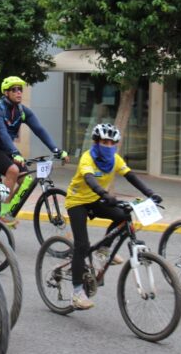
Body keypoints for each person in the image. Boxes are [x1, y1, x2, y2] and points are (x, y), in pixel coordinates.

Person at [66, 124, 161, 310]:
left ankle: (103, 249)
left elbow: (131, 176)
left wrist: (151, 193)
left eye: (112, 143)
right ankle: (77, 293)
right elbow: (89, 179)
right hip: (77, 201)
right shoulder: (87, 158)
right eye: (104, 142)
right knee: (82, 245)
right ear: (96, 142)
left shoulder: (115, 159)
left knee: (124, 217)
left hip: (95, 200)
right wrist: (104, 193)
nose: (108, 146)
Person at [0, 76, 69, 197]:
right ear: (6, 92)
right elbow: (2, 132)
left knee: (26, 181)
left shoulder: (22, 111)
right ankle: (2, 210)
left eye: (20, 89)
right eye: (14, 89)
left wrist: (57, 150)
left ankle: (9, 209)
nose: (19, 92)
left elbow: (39, 130)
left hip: (6, 150)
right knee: (13, 170)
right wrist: (15, 152)